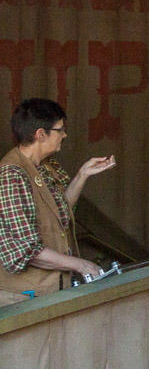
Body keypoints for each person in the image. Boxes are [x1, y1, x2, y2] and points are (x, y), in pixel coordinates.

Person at [0, 98, 115, 305]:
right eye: (60, 130)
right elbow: (26, 249)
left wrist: (83, 175)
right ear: (41, 134)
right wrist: (80, 265)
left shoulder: (45, 166)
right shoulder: (12, 174)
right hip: (24, 296)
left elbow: (58, 214)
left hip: (53, 289)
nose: (65, 135)